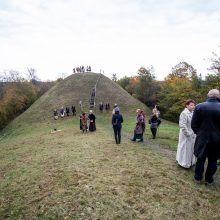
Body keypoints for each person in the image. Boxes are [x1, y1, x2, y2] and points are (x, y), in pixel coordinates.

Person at [191, 89, 220, 185]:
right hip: (217, 139)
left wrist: (199, 133)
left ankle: (197, 178)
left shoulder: (199, 106)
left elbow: (194, 124)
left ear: (209, 95)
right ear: (218, 96)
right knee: (213, 160)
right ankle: (209, 180)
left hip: (202, 137)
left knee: (200, 158)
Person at [176, 99, 196, 169]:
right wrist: (187, 134)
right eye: (191, 105)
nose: (193, 106)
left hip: (192, 134)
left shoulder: (193, 112)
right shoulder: (184, 113)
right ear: (187, 105)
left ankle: (190, 162)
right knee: (184, 149)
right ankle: (183, 163)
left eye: (194, 105)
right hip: (186, 135)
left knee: (191, 149)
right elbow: (182, 125)